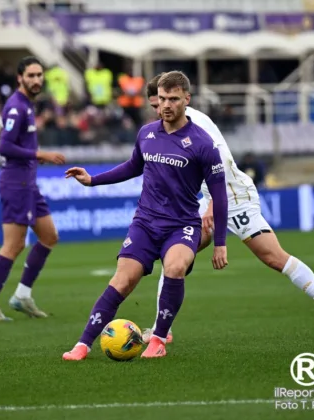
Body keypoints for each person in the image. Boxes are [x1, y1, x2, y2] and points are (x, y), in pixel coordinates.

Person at [142, 73, 314, 343]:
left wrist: (212, 206)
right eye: (156, 104)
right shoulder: (170, 127)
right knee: (175, 257)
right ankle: (162, 330)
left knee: (273, 257)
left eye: (163, 102)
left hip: (233, 196)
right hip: (209, 198)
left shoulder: (196, 124)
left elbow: (222, 166)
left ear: (181, 97)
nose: (160, 109)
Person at [62, 71, 229, 360]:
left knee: (175, 267)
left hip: (182, 225)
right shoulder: (146, 133)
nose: (166, 105)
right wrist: (93, 180)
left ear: (187, 99)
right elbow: (131, 167)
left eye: (174, 99)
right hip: (146, 223)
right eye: (162, 99)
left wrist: (220, 243)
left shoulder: (203, 144)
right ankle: (83, 344)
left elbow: (221, 194)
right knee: (123, 280)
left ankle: (159, 339)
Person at [0, 56, 66, 321]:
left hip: (28, 183)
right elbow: (4, 146)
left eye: (40, 75)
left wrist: (32, 155)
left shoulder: (27, 105)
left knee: (49, 236)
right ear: (20, 78)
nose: (37, 80)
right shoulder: (17, 107)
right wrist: (41, 154)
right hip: (16, 183)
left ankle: (22, 295)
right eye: (31, 75)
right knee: (13, 246)